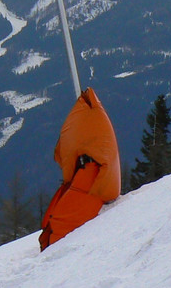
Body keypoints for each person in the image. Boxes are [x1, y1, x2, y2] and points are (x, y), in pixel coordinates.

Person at [38, 87, 121, 251]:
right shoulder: (95, 117)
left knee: (58, 221)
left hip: (91, 176)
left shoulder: (91, 118)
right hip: (91, 173)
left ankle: (52, 244)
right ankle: (50, 242)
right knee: (54, 220)